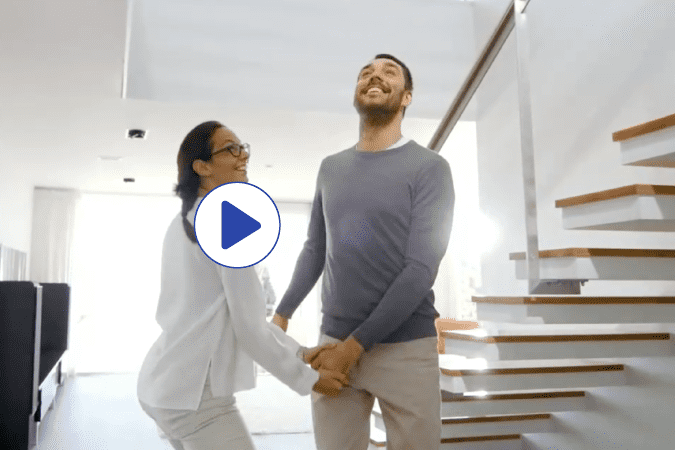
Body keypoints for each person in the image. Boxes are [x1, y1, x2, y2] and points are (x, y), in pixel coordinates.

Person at [271, 54, 455, 450]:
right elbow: (315, 249)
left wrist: (354, 347)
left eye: (389, 72)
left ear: (406, 97)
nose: (375, 76)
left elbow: (420, 269)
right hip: (332, 345)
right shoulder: (330, 167)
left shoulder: (430, 168)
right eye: (366, 73)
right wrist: (282, 314)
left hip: (404, 349)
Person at [137, 121, 349, 450]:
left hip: (163, 387)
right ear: (202, 167)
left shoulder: (185, 221)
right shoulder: (224, 223)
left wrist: (301, 352)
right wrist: (310, 380)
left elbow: (232, 316)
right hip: (196, 398)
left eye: (243, 147)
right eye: (230, 149)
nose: (243, 156)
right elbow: (248, 328)